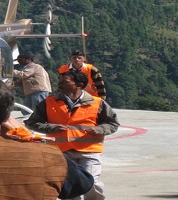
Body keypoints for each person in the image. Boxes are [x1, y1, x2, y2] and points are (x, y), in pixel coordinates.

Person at [25, 70, 120, 200]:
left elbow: (113, 123)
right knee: (69, 186)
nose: (59, 85)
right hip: (61, 152)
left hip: (89, 151)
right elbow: (32, 123)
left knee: (91, 182)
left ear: (79, 85)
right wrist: (51, 127)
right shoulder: (49, 102)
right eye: (60, 81)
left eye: (65, 82)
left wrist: (99, 129)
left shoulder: (97, 103)